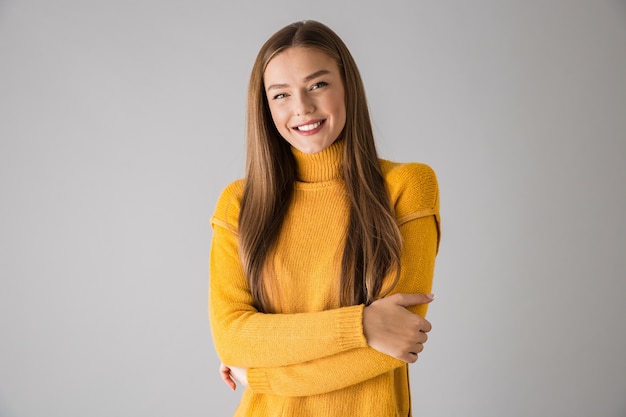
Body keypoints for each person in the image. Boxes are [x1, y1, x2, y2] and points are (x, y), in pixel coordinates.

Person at [209, 20, 440, 417]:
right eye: (280, 95)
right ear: (265, 107)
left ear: (347, 85)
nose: (302, 107)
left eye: (318, 85)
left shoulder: (406, 186)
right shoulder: (239, 203)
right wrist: (361, 325)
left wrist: (261, 375)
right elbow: (232, 338)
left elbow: (395, 344)